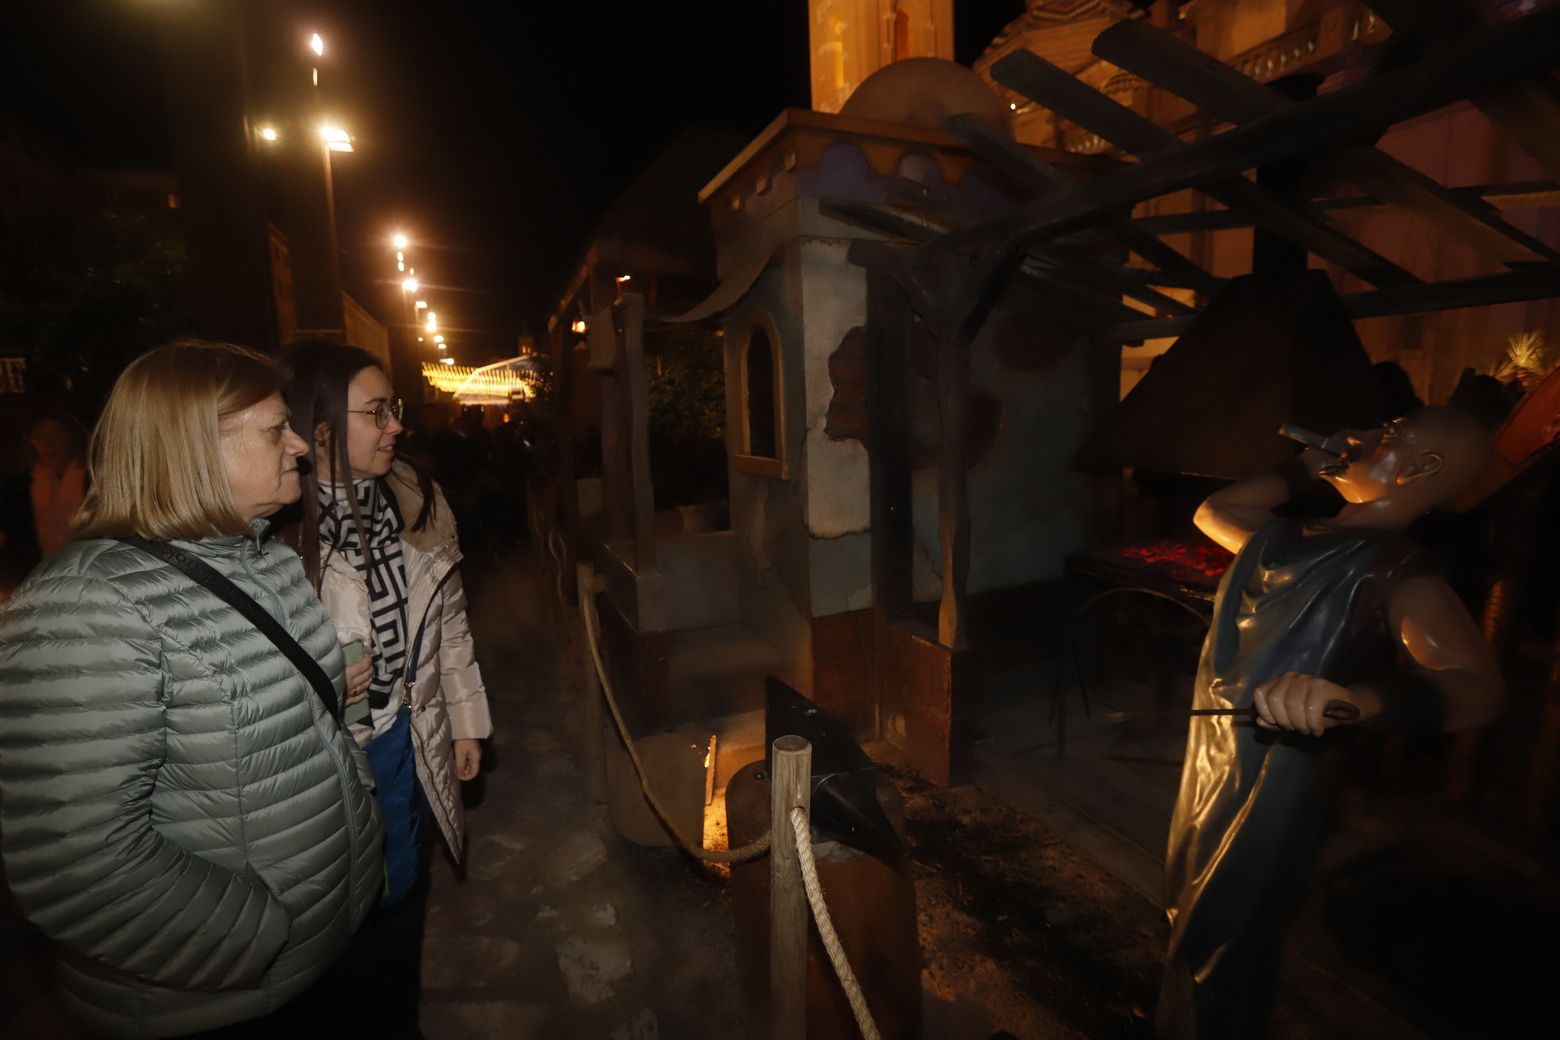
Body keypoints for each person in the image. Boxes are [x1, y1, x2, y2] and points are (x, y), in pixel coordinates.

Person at [0, 341, 384, 1039]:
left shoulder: (262, 557)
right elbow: (72, 862)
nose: (299, 444)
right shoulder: (87, 605)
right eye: (275, 429)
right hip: (216, 997)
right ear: (193, 450)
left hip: (319, 951)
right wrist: (258, 936)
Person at [1156, 407, 1505, 1039]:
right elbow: (1216, 511)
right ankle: (1179, 1019)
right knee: (1187, 893)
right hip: (1215, 748)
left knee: (1230, 923)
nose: (1359, 439)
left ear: (1422, 469)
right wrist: (1305, 465)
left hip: (1281, 770)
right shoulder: (1291, 536)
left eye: (1387, 437)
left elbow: (1478, 688)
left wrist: (1355, 699)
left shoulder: (1394, 568)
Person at [279, 341, 492, 1034]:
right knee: (337, 933)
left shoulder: (414, 500)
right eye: (377, 412)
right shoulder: (273, 537)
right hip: (326, 768)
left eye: (393, 409)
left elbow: (450, 626)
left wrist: (465, 722)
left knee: (404, 897)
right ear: (318, 428)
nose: (396, 425)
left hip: (408, 738)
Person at [0, 414, 89, 598]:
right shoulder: (20, 487)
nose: (48, 444)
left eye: (57, 436)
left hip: (89, 581)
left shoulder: (95, 482)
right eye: (39, 437)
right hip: (34, 586)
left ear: (72, 438)